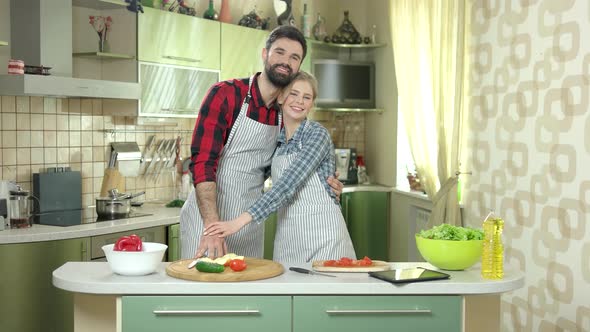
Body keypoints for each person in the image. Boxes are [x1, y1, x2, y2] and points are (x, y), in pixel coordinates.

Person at [180, 25, 343, 260]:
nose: (285, 61)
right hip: (208, 222)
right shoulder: (226, 94)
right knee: (205, 290)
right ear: (265, 54)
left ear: (298, 66)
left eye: (294, 57)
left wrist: (329, 183)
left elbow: (292, 171)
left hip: (249, 226)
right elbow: (203, 162)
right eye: (279, 52)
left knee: (248, 294)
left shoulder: (284, 113)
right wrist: (212, 227)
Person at [204, 71, 356, 262]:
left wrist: (239, 222)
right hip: (290, 239)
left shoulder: (317, 135)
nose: (299, 101)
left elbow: (288, 184)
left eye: (306, 97)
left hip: (324, 236)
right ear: (281, 97)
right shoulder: (276, 142)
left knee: (326, 291)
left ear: (311, 104)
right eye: (294, 93)